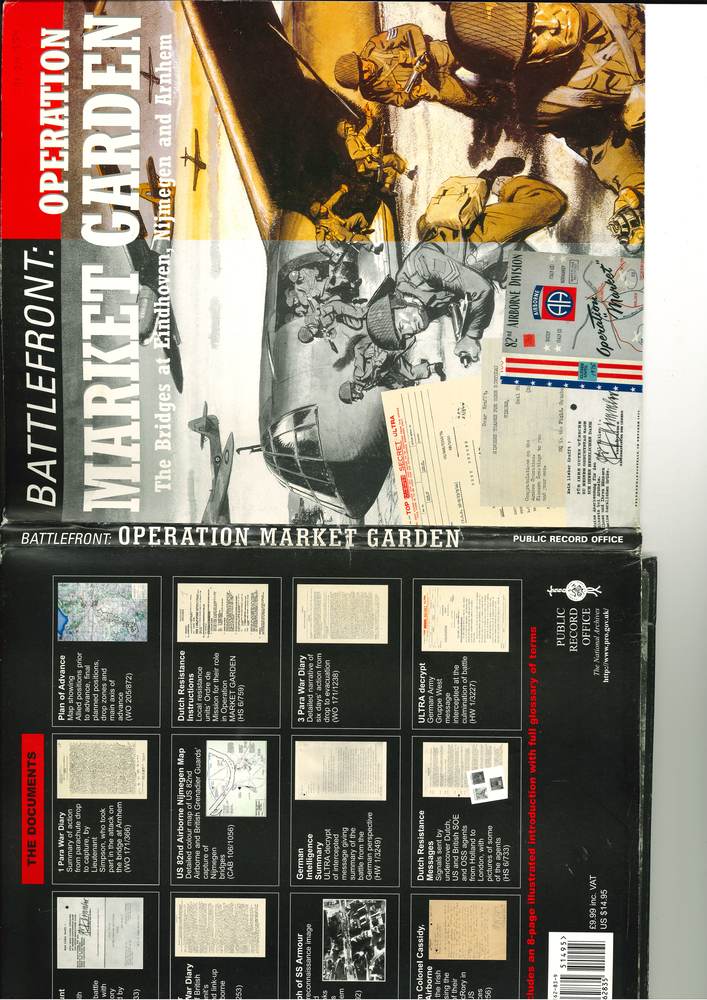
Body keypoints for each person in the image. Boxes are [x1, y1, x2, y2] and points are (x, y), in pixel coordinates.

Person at [444, 2, 645, 250]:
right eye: (533, 38)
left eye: (536, 8)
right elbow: (603, 147)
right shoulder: (549, 105)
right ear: (523, 64)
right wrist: (635, 188)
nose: (554, 23)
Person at [365, 171, 567, 366]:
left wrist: (471, 336)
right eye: (406, 335)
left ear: (397, 303)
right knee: (551, 281)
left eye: (402, 325)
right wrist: (461, 333)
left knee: (551, 203)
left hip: (479, 235)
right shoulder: (419, 306)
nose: (411, 330)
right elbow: (451, 303)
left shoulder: (422, 265)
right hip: (485, 263)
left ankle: (507, 188)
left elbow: (480, 290)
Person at [334, 22, 502, 116]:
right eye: (362, 76)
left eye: (361, 65)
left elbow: (410, 30)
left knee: (477, 53)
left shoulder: (376, 45)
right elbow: (400, 100)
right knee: (473, 102)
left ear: (358, 57)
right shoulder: (370, 92)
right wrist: (414, 95)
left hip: (435, 55)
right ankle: (500, 108)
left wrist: (417, 55)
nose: (367, 70)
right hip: (434, 86)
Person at [339, 336, 445, 403]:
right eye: (354, 400)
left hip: (385, 354)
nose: (356, 399)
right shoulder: (366, 386)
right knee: (410, 374)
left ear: (352, 390)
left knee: (408, 340)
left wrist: (368, 350)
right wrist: (400, 386)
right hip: (389, 364)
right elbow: (383, 379)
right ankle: (435, 368)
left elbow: (357, 348)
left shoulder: (358, 375)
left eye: (353, 398)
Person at [336, 107, 410, 194]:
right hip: (368, 162)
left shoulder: (359, 136)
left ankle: (386, 189)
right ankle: (407, 172)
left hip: (373, 158)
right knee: (392, 158)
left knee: (390, 170)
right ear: (345, 132)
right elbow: (354, 155)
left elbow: (368, 126)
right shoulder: (350, 140)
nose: (350, 127)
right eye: (348, 128)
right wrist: (370, 151)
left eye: (349, 126)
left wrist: (368, 116)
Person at [310, 183, 383, 260]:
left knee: (359, 216)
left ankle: (364, 230)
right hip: (343, 236)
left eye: (321, 206)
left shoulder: (326, 208)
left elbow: (333, 199)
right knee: (362, 238)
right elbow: (320, 245)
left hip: (344, 224)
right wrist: (332, 254)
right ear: (319, 215)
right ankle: (375, 249)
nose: (323, 208)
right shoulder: (321, 226)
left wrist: (342, 190)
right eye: (320, 209)